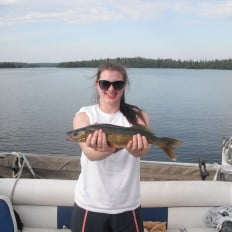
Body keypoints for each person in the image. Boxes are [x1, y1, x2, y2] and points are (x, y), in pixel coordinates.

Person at [71, 61, 151, 232]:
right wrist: (110, 148)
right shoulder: (84, 115)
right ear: (97, 85)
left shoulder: (138, 115)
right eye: (105, 83)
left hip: (128, 205)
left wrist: (138, 150)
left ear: (124, 86)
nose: (111, 89)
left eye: (117, 84)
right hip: (90, 205)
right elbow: (90, 154)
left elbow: (143, 150)